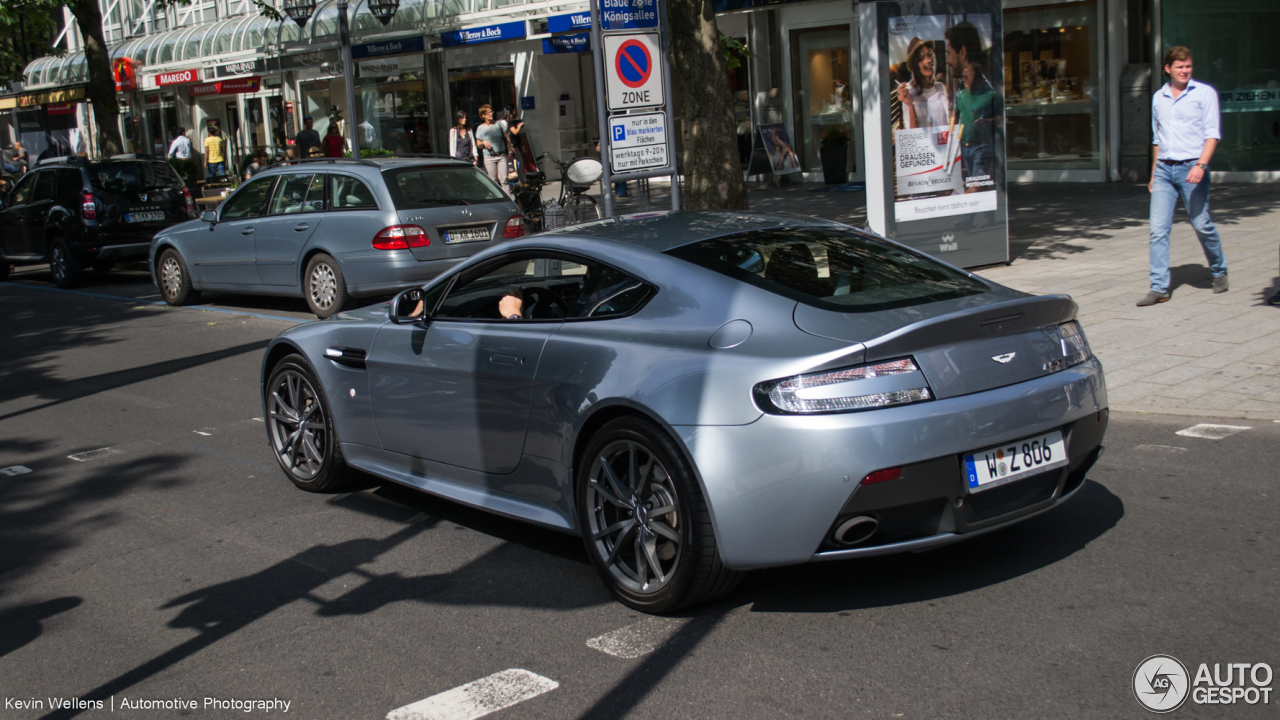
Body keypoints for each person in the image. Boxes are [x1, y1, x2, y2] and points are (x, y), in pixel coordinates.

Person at [1138, 46, 1228, 306]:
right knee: (1157, 230)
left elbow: (1212, 133)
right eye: (1179, 67)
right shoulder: (1158, 97)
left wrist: (1201, 165)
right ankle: (1159, 287)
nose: (1185, 71)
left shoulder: (1204, 94)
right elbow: (1157, 138)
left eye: (1188, 66)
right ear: (1168, 69)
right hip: (1165, 169)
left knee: (1202, 224)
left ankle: (1219, 270)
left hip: (1193, 167)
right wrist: (1154, 173)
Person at [946, 22, 1000, 194]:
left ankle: (964, 216)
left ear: (962, 52)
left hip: (982, 147)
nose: (947, 60)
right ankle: (984, 218)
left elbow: (1001, 118)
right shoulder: (962, 83)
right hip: (966, 147)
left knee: (975, 188)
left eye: (949, 53)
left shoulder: (986, 90)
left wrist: (986, 122)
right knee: (979, 190)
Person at [897, 38, 949, 130]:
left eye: (929, 55)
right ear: (915, 65)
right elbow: (912, 134)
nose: (928, 60)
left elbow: (946, 123)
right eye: (921, 58)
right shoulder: (909, 91)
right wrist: (910, 105)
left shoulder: (940, 87)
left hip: (941, 143)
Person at [475, 105, 509, 185]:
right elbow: (478, 144)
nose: (491, 114)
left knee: (505, 180)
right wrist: (483, 143)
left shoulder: (499, 124)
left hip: (501, 156)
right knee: (493, 181)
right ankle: (498, 197)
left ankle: (507, 197)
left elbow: (507, 139)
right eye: (488, 112)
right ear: (483, 115)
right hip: (489, 157)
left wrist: (510, 152)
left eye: (491, 111)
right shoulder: (480, 128)